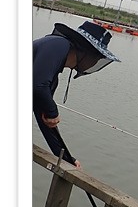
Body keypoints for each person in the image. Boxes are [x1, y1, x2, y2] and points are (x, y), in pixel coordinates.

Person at [33, 20, 121, 167]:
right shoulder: (58, 45)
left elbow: (46, 118)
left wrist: (67, 158)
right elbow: (38, 86)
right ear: (85, 52)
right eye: (96, 57)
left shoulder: (51, 75)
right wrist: (52, 111)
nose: (94, 62)